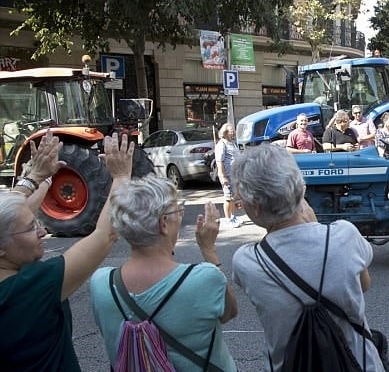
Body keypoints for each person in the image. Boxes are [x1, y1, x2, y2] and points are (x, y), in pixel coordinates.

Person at [231, 144, 386, 371]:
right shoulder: (345, 235)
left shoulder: (246, 261)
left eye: (240, 199)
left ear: (254, 206)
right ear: (301, 190)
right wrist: (313, 225)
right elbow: (363, 285)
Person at [0, 131, 133, 371]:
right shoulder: (32, 286)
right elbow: (106, 234)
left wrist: (38, 178)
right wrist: (122, 176)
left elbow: (12, 215)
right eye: (32, 228)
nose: (42, 233)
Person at [90, 175, 238, 371]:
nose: (181, 216)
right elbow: (229, 313)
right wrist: (209, 250)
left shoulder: (101, 283)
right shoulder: (205, 278)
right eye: (179, 211)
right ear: (163, 224)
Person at [215, 122, 242, 227]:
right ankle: (228, 219)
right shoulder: (222, 144)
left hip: (234, 174)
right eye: (231, 131)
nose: (233, 133)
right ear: (225, 133)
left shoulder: (232, 143)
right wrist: (223, 176)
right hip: (228, 175)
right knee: (228, 197)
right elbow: (219, 161)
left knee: (233, 197)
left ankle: (232, 216)